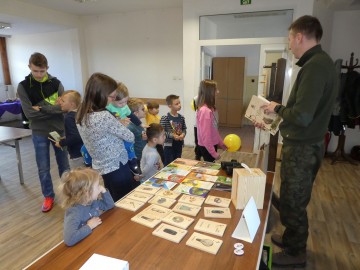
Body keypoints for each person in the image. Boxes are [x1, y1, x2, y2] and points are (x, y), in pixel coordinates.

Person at [257, 15, 337, 267]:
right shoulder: (320, 63)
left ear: (299, 37)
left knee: (294, 201)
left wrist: (278, 109)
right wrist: (277, 114)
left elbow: (301, 116)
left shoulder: (315, 67)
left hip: (302, 148)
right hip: (305, 144)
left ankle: (296, 252)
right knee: (293, 196)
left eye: (290, 39)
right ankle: (291, 239)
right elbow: (304, 112)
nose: (290, 44)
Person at [17, 52, 70, 212]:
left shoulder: (56, 83)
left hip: (59, 130)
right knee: (43, 167)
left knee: (64, 164)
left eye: (42, 71)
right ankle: (48, 196)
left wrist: (42, 108)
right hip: (39, 132)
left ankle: (69, 193)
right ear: (29, 68)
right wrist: (53, 109)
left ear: (47, 68)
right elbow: (29, 113)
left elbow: (63, 108)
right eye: (35, 71)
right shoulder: (23, 86)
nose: (39, 75)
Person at [76, 73, 137, 202]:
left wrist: (116, 125)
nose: (111, 100)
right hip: (117, 166)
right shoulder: (103, 116)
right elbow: (130, 137)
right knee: (125, 201)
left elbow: (101, 135)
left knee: (112, 199)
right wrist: (121, 125)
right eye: (111, 96)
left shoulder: (81, 113)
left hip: (101, 167)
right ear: (100, 94)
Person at [59, 167, 114, 246]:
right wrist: (89, 226)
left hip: (95, 239)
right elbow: (69, 239)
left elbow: (109, 205)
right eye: (97, 186)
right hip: (83, 245)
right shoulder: (74, 212)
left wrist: (104, 191)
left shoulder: (91, 201)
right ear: (86, 192)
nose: (100, 187)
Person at [36, 90, 84, 169]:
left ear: (72, 104)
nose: (60, 103)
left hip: (77, 154)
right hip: (83, 151)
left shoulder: (69, 118)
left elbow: (75, 137)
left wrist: (61, 143)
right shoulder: (79, 113)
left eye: (63, 101)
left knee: (79, 177)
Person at [106, 82, 142, 176]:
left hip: (124, 132)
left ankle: (134, 166)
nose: (123, 105)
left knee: (130, 149)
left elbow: (131, 115)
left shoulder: (125, 106)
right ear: (112, 100)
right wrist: (119, 122)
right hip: (115, 134)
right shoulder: (108, 108)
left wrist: (140, 124)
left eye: (125, 102)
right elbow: (109, 124)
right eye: (120, 103)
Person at [196, 80, 227, 162]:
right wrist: (213, 153)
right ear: (209, 92)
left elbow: (214, 130)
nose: (218, 91)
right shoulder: (205, 111)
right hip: (207, 147)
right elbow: (206, 136)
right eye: (216, 89)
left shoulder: (211, 109)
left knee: (211, 168)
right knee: (209, 170)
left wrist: (221, 143)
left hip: (212, 144)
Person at [160, 94, 187, 166]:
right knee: (168, 164)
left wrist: (183, 134)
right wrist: (172, 136)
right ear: (170, 106)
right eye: (176, 104)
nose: (179, 105)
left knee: (177, 162)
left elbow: (184, 129)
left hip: (179, 144)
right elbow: (161, 132)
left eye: (179, 103)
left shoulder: (181, 117)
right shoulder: (165, 118)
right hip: (169, 145)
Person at [127, 98, 147, 162]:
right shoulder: (130, 127)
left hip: (142, 156)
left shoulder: (140, 125)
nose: (145, 111)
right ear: (136, 113)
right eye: (143, 109)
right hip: (136, 158)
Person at [192, 95, 202, 160]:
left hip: (204, 126)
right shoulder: (196, 97)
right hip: (197, 125)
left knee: (203, 142)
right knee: (197, 142)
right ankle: (198, 155)